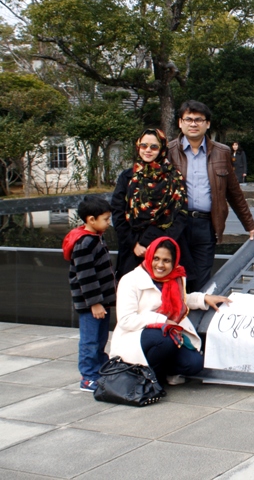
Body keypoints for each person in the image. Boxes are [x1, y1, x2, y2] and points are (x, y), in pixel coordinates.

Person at [167, 100, 254, 292]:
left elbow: (234, 192)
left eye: (199, 119)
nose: (193, 123)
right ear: (180, 123)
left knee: (202, 281)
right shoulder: (169, 151)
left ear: (207, 124)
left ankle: (196, 321)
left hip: (207, 225)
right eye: (188, 119)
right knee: (177, 280)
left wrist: (251, 226)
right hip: (176, 225)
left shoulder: (221, 152)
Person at [110, 237, 231, 387]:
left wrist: (204, 298)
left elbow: (181, 299)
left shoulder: (176, 278)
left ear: (174, 262)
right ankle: (150, 377)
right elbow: (126, 320)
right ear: (149, 257)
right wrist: (162, 321)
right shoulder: (130, 280)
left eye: (166, 261)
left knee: (194, 363)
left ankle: (162, 371)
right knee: (163, 338)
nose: (160, 265)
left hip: (167, 335)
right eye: (156, 258)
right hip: (137, 336)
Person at [111, 128, 192, 282]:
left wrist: (161, 248)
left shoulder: (174, 178)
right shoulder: (127, 177)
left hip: (165, 250)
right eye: (144, 146)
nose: (148, 150)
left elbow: (181, 215)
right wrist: (134, 244)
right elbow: (118, 213)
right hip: (134, 249)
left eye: (154, 147)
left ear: (162, 149)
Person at [62, 196, 116, 392]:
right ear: (91, 219)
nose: (108, 222)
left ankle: (100, 369)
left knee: (100, 339)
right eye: (106, 219)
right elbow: (86, 276)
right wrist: (95, 303)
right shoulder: (85, 243)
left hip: (102, 302)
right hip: (91, 305)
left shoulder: (95, 238)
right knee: (90, 340)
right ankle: (88, 376)